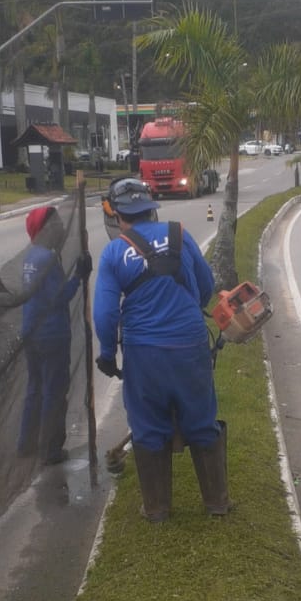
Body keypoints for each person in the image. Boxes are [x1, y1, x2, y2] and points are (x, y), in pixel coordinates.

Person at [92, 177, 228, 522]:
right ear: (151, 209)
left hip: (144, 355)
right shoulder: (181, 234)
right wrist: (187, 317)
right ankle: (216, 503)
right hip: (190, 345)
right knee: (200, 418)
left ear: (116, 214)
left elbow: (106, 314)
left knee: (149, 425)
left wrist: (108, 355)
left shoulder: (113, 252)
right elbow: (206, 285)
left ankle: (156, 509)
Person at [16, 206, 91, 466]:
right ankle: (50, 450)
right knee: (53, 391)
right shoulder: (46, 259)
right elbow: (59, 297)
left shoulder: (31, 256)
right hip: (51, 335)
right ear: (45, 229)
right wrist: (80, 276)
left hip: (32, 332)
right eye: (57, 222)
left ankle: (26, 444)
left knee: (35, 389)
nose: (61, 227)